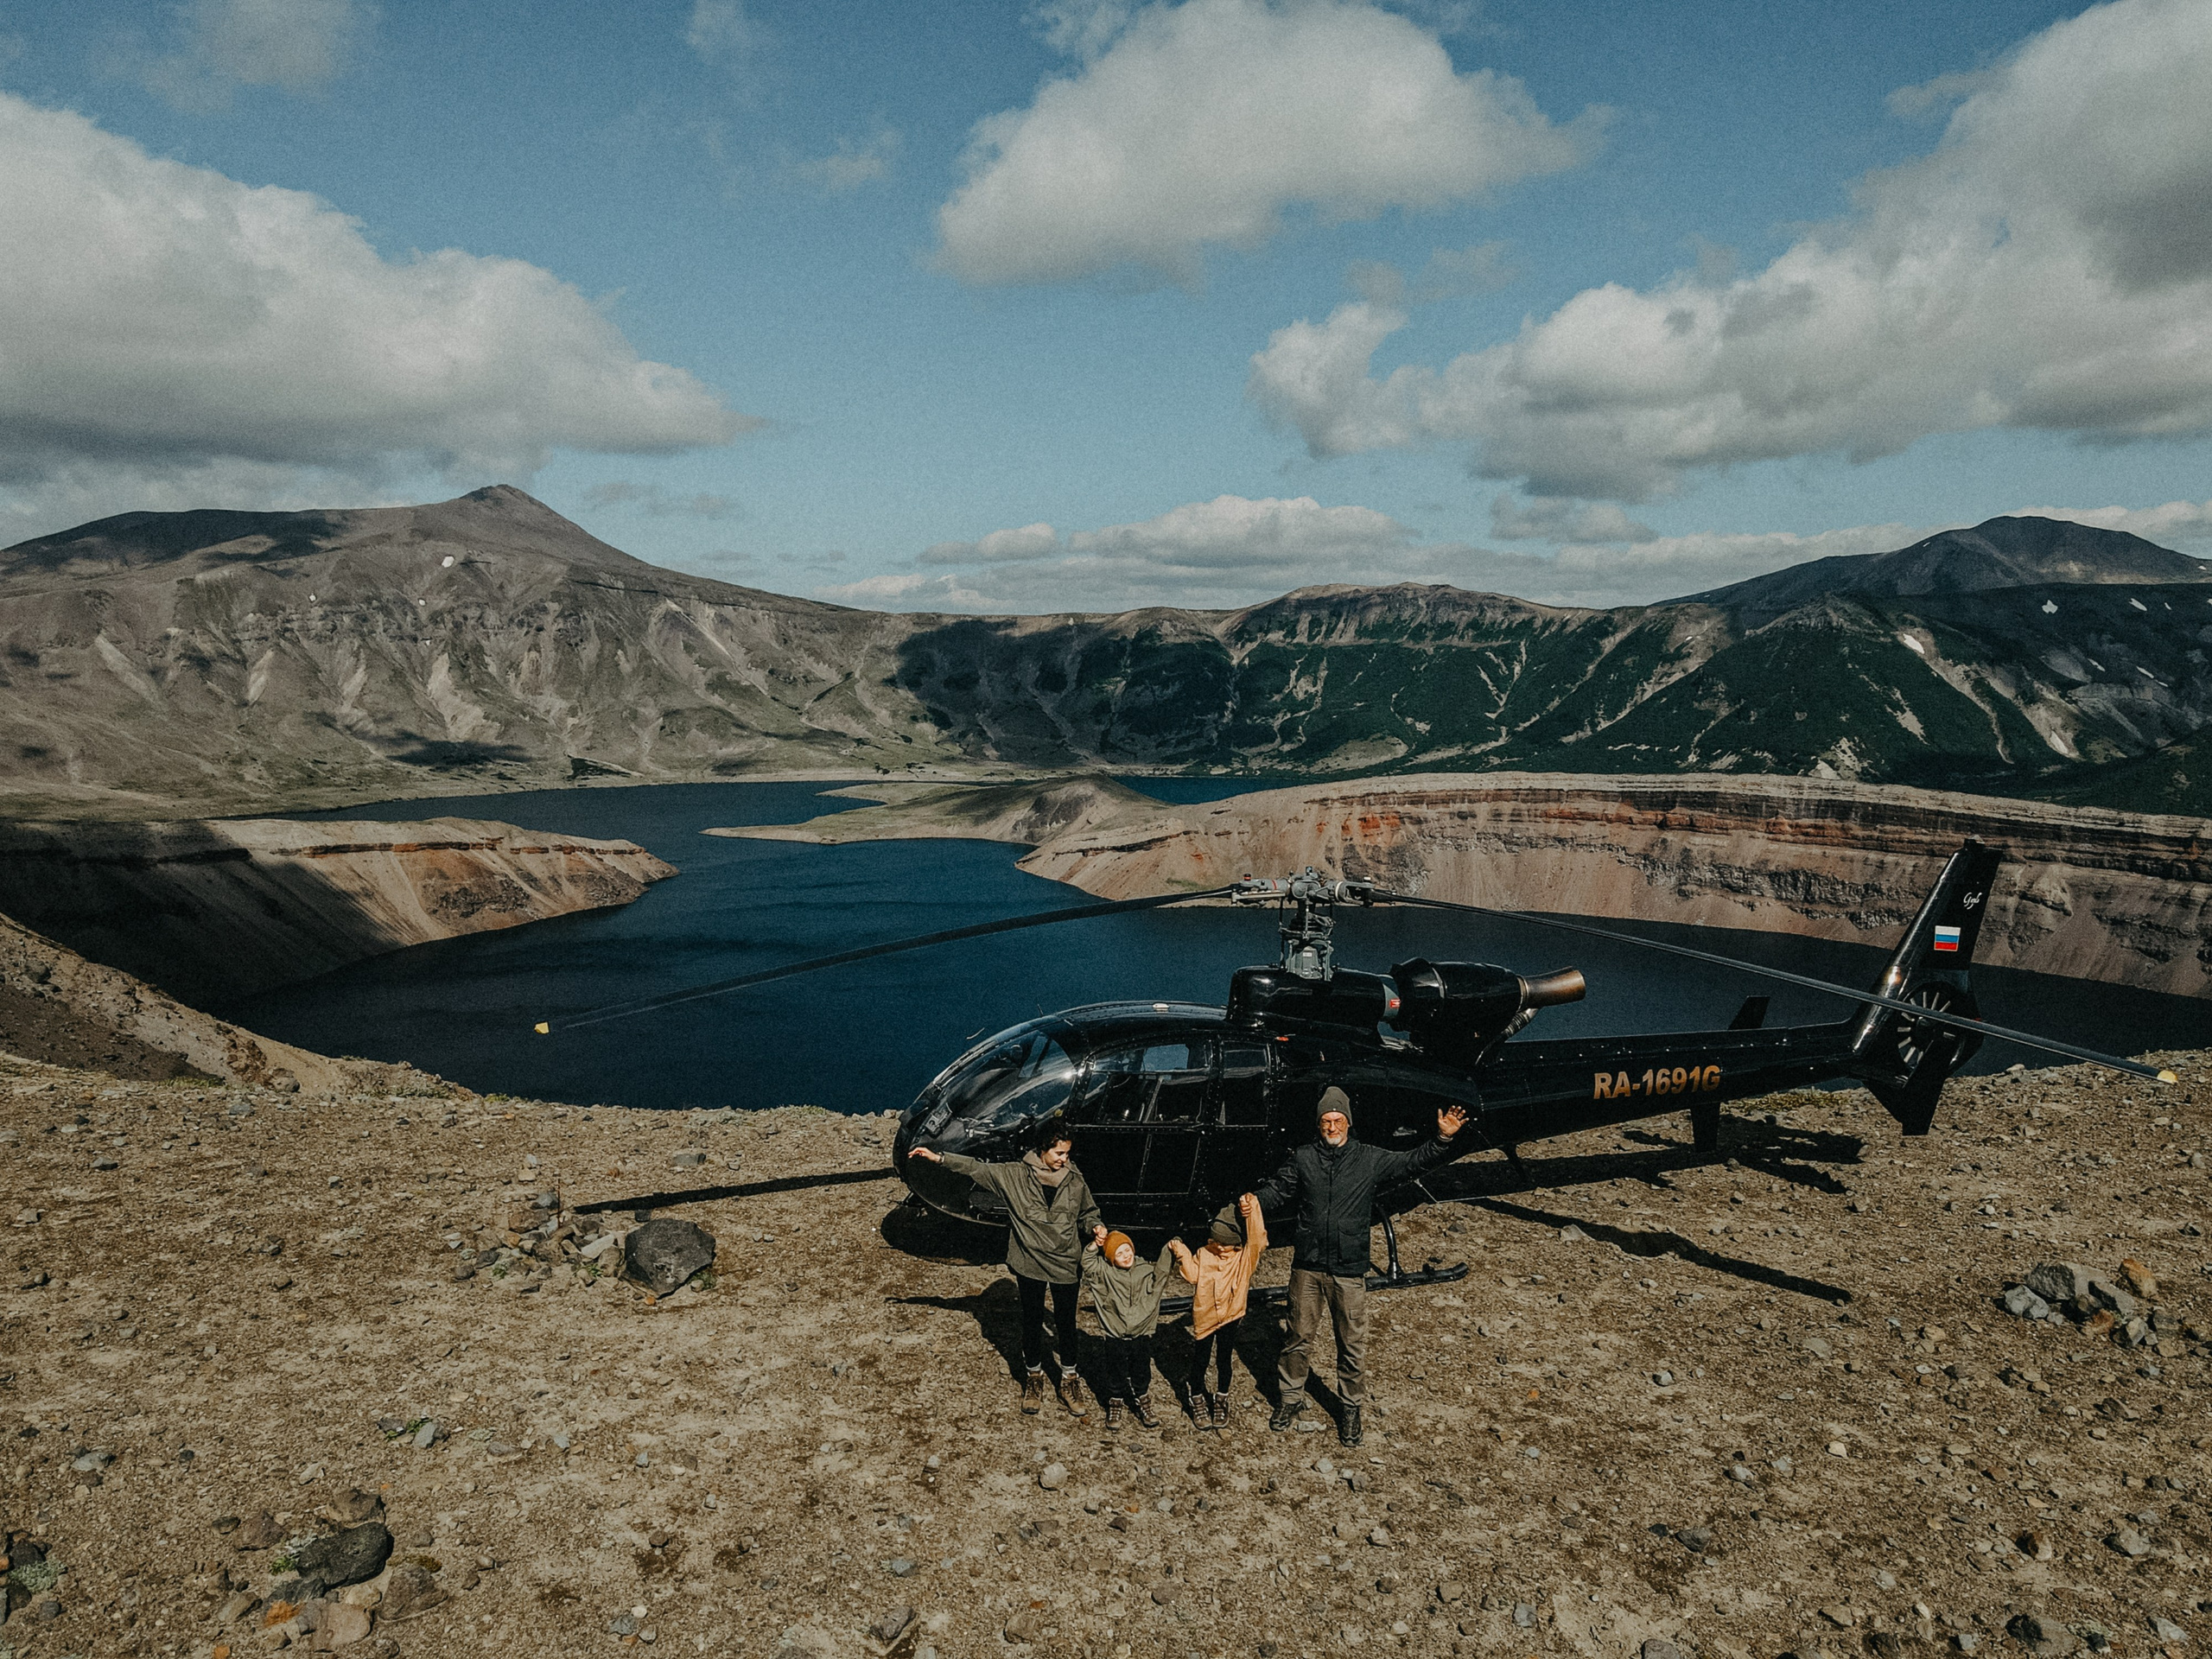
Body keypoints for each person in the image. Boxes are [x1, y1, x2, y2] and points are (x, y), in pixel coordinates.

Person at [1250, 1086, 1466, 1446]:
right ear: (1318, 1125)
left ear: (1348, 1123)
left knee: (1351, 1343)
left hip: (1349, 1270)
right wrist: (1251, 1202)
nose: (1332, 1127)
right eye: (1325, 1121)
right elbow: (1277, 1190)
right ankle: (1290, 1399)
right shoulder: (1303, 1158)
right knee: (1298, 1336)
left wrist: (1443, 1138)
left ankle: (1350, 1408)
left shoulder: (1369, 1159)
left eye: (1338, 1120)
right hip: (1308, 1266)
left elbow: (1412, 1161)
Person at [909, 1120, 1105, 1415]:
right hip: (1029, 1263)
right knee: (1031, 1321)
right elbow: (977, 1168)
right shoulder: (1013, 1175)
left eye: (1066, 1153)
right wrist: (938, 1157)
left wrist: (1095, 1226)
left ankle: (1068, 1379)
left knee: (1066, 1325)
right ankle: (1034, 1377)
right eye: (1059, 1153)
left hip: (1066, 1263)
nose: (1064, 1159)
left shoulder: (1074, 1179)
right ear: (1042, 1149)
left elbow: (1088, 1212)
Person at [1165, 1192, 1267, 1432]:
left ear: (1237, 1242)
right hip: (1205, 1316)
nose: (1220, 1247)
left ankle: (1221, 1398)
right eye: (1216, 1241)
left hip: (1231, 1316)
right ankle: (1197, 1397)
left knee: (1224, 1359)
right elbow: (1191, 1275)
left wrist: (1252, 1208)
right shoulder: (1204, 1254)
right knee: (1200, 1360)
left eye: (1226, 1243)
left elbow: (1258, 1239)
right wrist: (1181, 1252)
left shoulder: (1245, 1258)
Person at [1080, 1229, 1178, 1429]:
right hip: (1115, 1332)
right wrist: (1094, 1246)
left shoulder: (1144, 1270)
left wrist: (1170, 1248)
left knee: (1141, 1368)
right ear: (1111, 1259)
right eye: (1119, 1254)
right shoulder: (1105, 1272)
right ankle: (1115, 1401)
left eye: (1127, 1250)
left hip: (1141, 1332)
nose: (1126, 1256)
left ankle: (1142, 1399)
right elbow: (1088, 1263)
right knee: (1114, 1369)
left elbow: (1161, 1274)